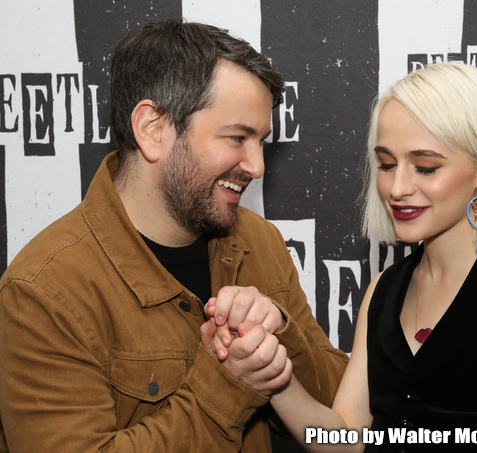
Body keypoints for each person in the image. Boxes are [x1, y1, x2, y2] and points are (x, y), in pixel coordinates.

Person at [208, 62, 477, 452]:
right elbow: (347, 438)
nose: (397, 188)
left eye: (426, 168)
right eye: (387, 164)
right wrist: (273, 377)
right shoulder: (385, 290)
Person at [0, 18, 348, 452]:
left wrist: (278, 331)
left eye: (261, 142)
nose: (257, 167)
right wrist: (228, 385)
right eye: (237, 137)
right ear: (153, 129)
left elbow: (338, 410)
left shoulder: (259, 242)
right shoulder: (44, 291)